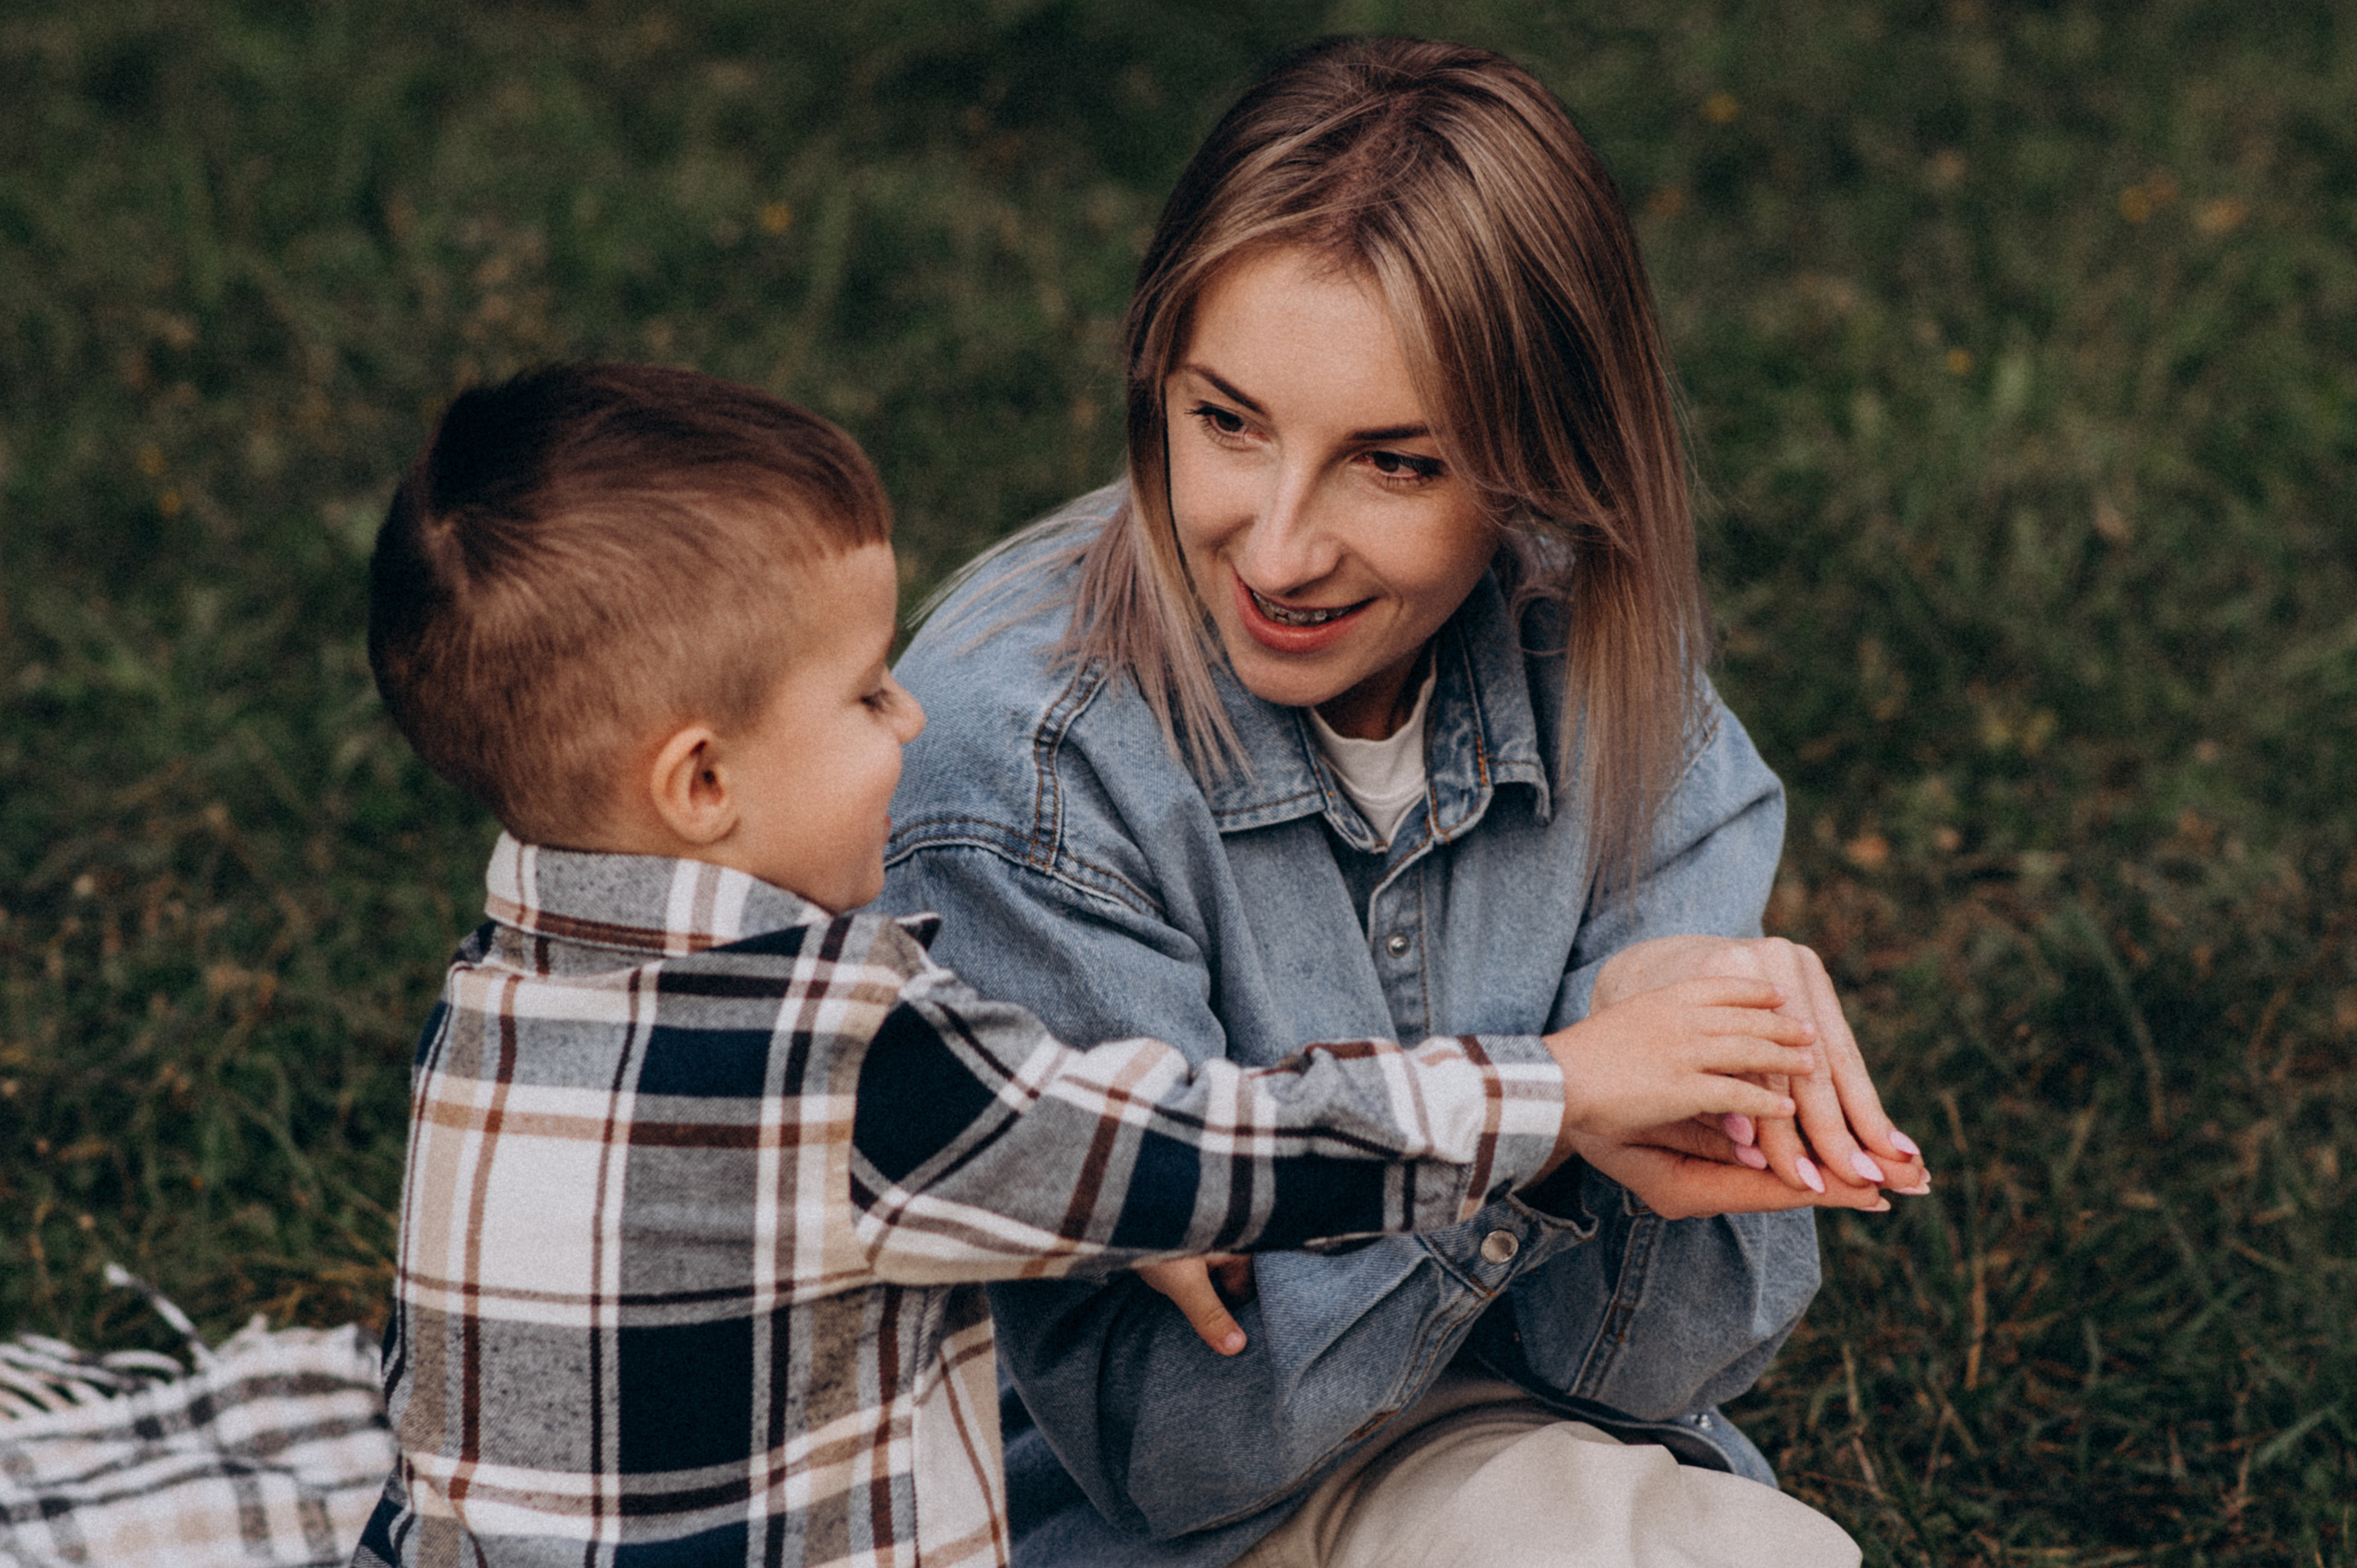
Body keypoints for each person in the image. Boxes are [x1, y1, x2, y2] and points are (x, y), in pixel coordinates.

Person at [349, 362, 1828, 1567]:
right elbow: (1220, 1143)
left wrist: (1064, 1204)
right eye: (869, 696)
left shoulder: (492, 1012)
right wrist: (1558, 1089)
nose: (916, 722)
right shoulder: (842, 1063)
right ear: (698, 786)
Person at [881, 36, 1930, 1568]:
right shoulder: (1021, 765)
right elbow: (1157, 1447)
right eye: (1224, 421)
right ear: (1153, 377)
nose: (1280, 548)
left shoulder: (1604, 661)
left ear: (1533, 463)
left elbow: (1651, 1376)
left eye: (1394, 462)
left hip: (1501, 1454)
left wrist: (1684, 1020)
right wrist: (1554, 1107)